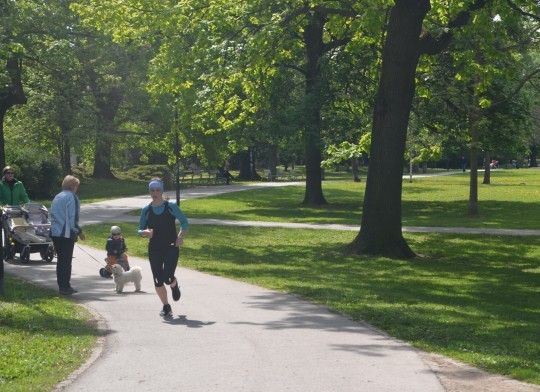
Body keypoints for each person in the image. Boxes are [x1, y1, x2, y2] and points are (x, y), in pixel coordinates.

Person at [138, 177, 188, 317]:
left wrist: (180, 236)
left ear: (162, 191)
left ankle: (174, 284)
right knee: (158, 280)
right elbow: (140, 229)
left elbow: (184, 222)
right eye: (152, 190)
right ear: (149, 192)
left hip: (171, 246)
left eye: (158, 190)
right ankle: (166, 306)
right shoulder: (146, 210)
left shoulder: (170, 207)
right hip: (154, 248)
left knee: (167, 277)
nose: (155, 193)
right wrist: (144, 233)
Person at [50, 175, 85, 295]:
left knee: (61, 260)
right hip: (66, 233)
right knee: (66, 260)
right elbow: (72, 218)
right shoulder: (72, 197)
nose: (77, 189)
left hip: (55, 232)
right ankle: (65, 286)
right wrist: (79, 231)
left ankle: (62, 285)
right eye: (77, 186)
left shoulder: (57, 196)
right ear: (73, 186)